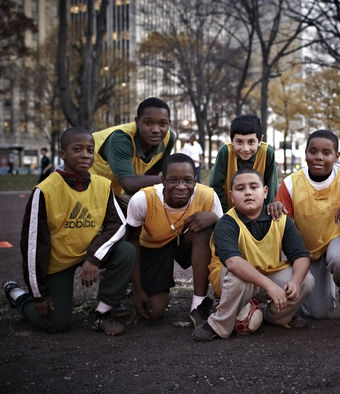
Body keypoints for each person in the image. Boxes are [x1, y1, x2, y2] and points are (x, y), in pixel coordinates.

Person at [3, 127, 135, 335]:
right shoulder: (45, 190)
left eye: (90, 150)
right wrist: (38, 294)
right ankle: (17, 295)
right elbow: (32, 246)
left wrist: (93, 258)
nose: (85, 155)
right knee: (57, 324)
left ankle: (102, 312)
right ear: (62, 155)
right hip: (58, 262)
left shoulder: (103, 185)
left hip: (88, 254)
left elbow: (117, 225)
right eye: (77, 149)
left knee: (126, 251)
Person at [193, 169, 314, 341]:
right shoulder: (227, 223)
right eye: (240, 189)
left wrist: (294, 281)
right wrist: (271, 287)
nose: (248, 192)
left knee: (306, 280)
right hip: (234, 281)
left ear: (265, 192)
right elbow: (234, 263)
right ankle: (218, 324)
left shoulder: (280, 219)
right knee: (237, 278)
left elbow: (300, 255)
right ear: (232, 196)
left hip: (267, 275)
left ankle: (276, 317)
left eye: (253, 187)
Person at [273, 130, 340, 324]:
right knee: (317, 313)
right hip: (310, 250)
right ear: (306, 154)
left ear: (337, 156)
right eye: (313, 151)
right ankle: (323, 292)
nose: (318, 157)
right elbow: (280, 228)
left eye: (326, 152)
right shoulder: (291, 183)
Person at [126, 153, 222, 326]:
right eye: (173, 180)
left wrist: (215, 218)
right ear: (163, 180)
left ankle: (198, 305)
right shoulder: (142, 200)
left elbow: (224, 235)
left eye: (187, 180)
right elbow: (132, 242)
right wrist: (138, 289)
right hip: (153, 247)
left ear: (195, 180)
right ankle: (130, 287)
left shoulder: (208, 196)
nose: (181, 186)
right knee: (154, 312)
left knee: (203, 226)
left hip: (186, 242)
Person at [90, 97, 176, 212]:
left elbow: (149, 178)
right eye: (149, 123)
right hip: (86, 189)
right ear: (137, 121)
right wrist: (171, 180)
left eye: (162, 124)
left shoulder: (168, 139)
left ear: (169, 123)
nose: (156, 129)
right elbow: (129, 185)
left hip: (114, 191)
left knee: (151, 214)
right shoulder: (121, 139)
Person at [209, 114, 278, 213]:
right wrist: (225, 213)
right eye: (239, 142)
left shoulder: (267, 152)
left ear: (260, 141)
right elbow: (215, 186)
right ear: (232, 140)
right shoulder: (226, 152)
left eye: (251, 142)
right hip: (229, 211)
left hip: (258, 213)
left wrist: (264, 214)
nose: (245, 149)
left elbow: (271, 187)